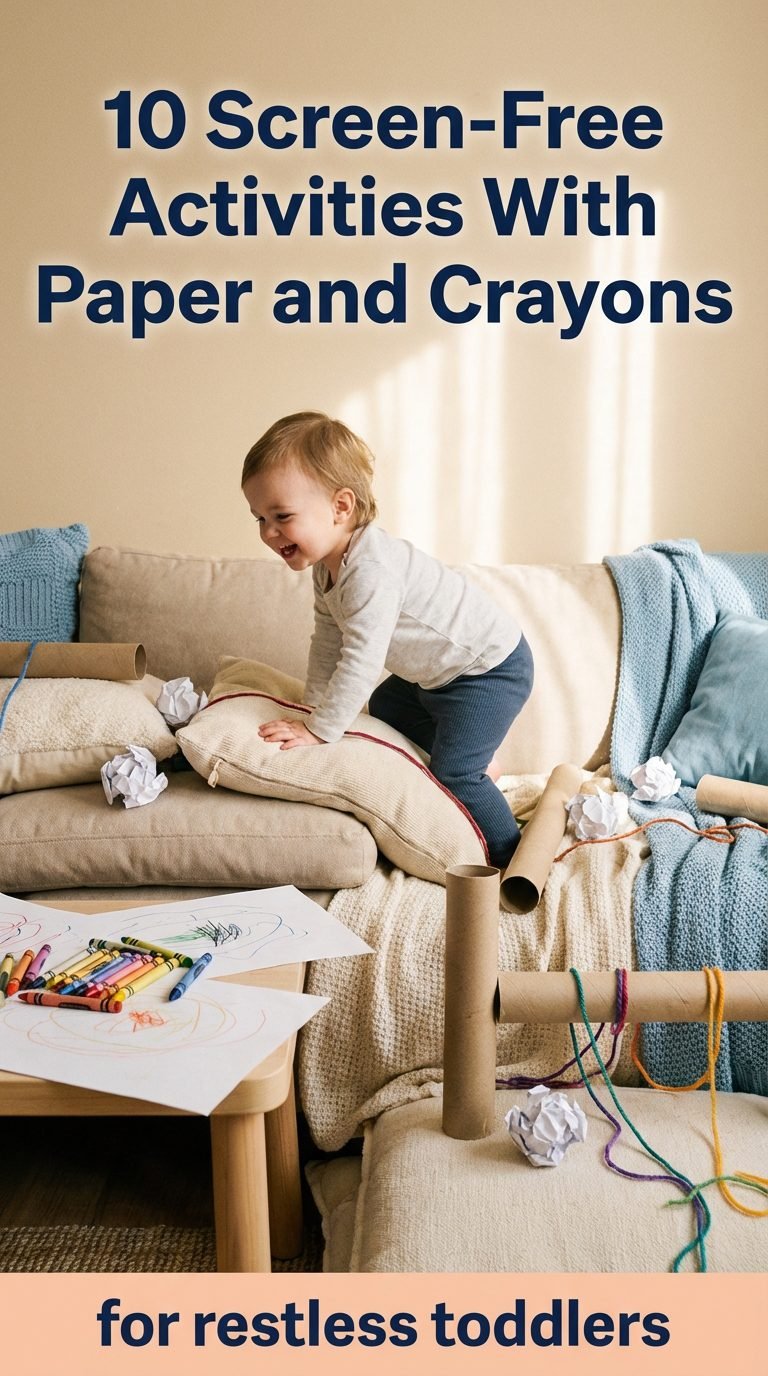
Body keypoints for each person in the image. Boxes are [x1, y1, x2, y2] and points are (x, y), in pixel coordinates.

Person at [241, 411, 534, 870]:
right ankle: (468, 753)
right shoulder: (327, 569)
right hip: (437, 677)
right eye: (259, 518)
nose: (268, 532)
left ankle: (512, 858)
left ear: (342, 506)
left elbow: (360, 659)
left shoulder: (369, 571)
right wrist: (311, 711)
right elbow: (328, 643)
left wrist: (321, 730)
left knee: (456, 774)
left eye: (282, 516)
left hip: (488, 669)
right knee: (388, 708)